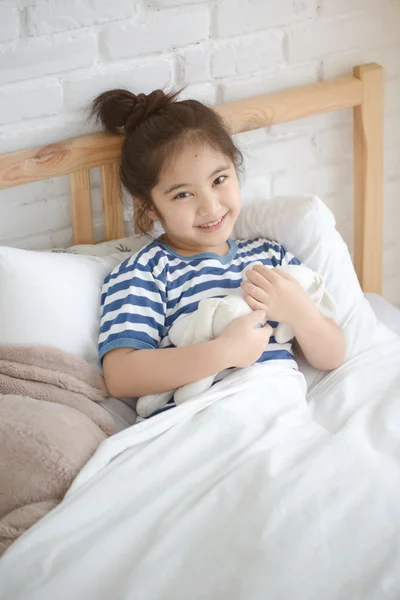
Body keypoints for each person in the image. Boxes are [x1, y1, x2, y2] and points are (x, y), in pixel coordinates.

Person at [92, 88, 345, 416]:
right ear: (150, 207)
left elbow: (332, 356)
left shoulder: (270, 257)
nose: (210, 207)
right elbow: (121, 376)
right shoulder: (146, 271)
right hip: (202, 418)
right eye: (183, 195)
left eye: (219, 180)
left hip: (279, 410)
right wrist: (224, 353)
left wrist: (301, 312)